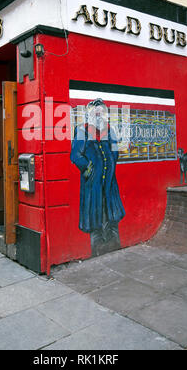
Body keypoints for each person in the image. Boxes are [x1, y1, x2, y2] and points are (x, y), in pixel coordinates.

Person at [71, 98, 126, 256]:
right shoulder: (82, 130)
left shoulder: (110, 130)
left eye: (101, 111)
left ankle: (116, 251)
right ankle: (97, 254)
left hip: (110, 185)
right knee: (96, 224)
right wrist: (90, 170)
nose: (98, 114)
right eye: (95, 111)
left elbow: (115, 152)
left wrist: (109, 168)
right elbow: (75, 155)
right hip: (92, 187)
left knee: (112, 220)